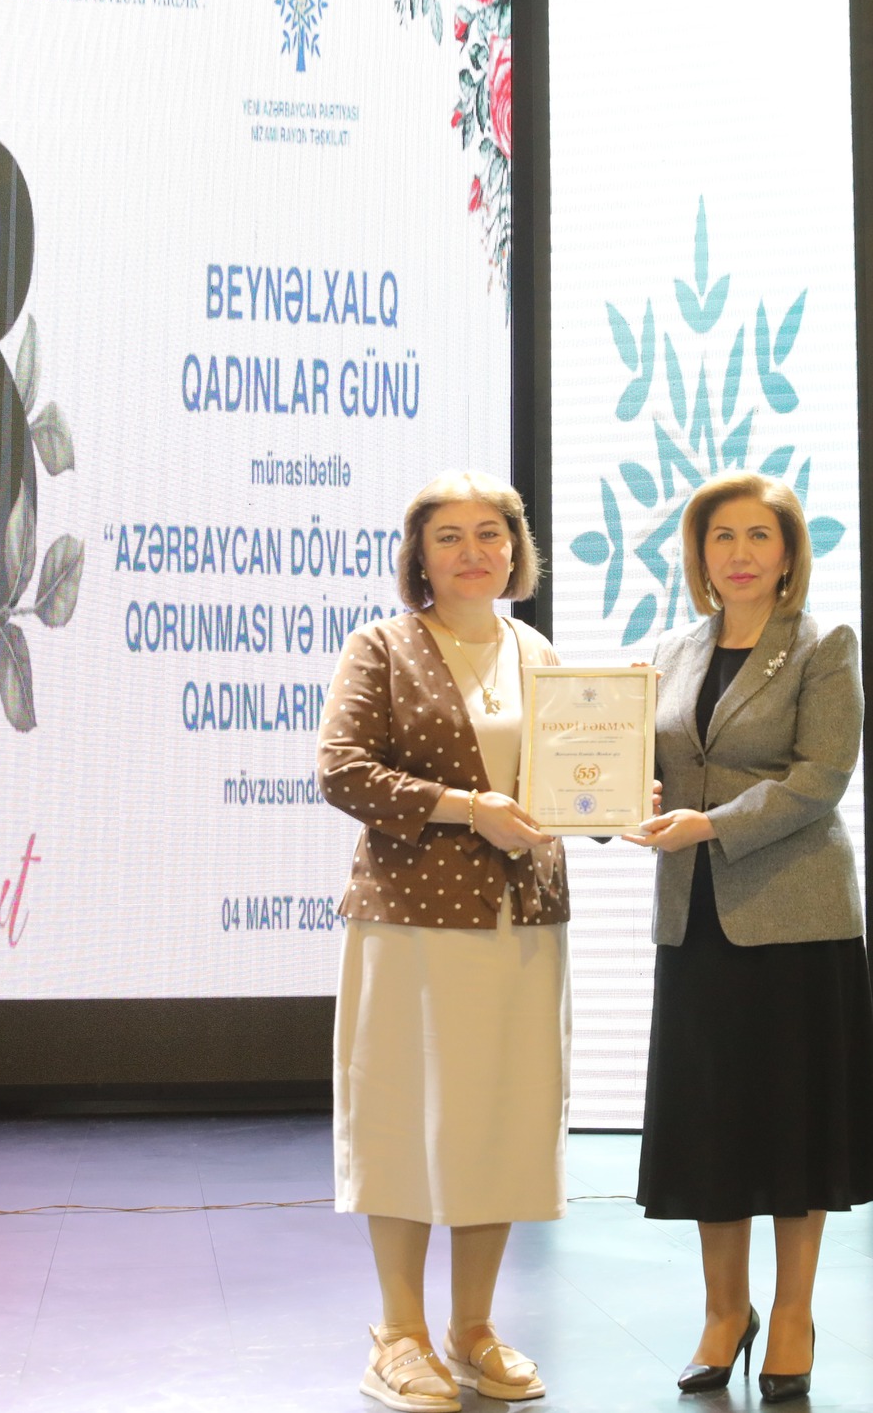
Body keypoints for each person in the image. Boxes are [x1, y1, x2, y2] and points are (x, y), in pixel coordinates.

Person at [623, 471, 873, 1404]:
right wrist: (623, 801)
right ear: (699, 554)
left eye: (758, 537)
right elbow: (648, 766)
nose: (738, 554)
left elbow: (822, 776)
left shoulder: (823, 644)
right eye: (721, 537)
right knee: (712, 1125)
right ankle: (722, 1311)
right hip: (694, 917)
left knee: (792, 1125)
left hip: (794, 917)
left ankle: (792, 1316)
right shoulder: (672, 650)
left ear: (788, 555)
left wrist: (709, 824)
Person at [318, 470, 569, 1412]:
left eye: (490, 534)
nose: (474, 552)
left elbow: (567, 778)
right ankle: (399, 1334)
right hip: (413, 925)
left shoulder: (538, 651)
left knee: (500, 1119)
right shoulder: (381, 647)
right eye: (450, 537)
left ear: (515, 550)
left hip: (522, 921)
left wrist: (614, 798)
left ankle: (472, 1329)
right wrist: (468, 808)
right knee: (403, 1119)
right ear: (419, 557)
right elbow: (342, 770)